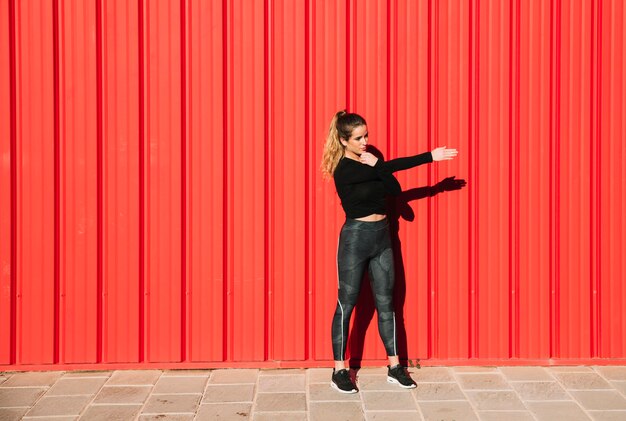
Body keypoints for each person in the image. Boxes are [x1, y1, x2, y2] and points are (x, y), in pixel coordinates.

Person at [320, 110, 458, 393]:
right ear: (344, 141)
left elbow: (394, 189)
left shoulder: (371, 163)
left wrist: (380, 166)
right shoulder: (344, 169)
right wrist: (427, 157)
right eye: (358, 138)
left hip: (382, 238)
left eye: (366, 135)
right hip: (355, 239)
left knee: (387, 304)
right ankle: (339, 369)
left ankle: (395, 367)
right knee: (347, 304)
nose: (365, 142)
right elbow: (390, 170)